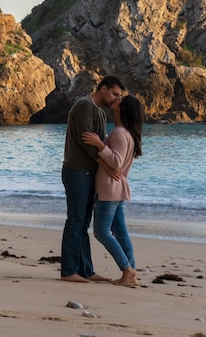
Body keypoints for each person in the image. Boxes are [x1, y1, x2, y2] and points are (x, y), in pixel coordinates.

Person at [60, 75, 126, 283]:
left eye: (120, 96)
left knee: (83, 223)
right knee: (76, 221)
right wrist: (108, 165)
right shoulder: (84, 106)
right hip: (77, 171)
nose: (116, 99)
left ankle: (86, 270)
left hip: (88, 173)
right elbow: (87, 144)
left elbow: (100, 143)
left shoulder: (98, 111)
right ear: (103, 88)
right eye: (115, 94)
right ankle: (69, 271)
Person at [81, 94, 144, 287]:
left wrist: (100, 144)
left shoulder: (119, 133)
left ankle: (127, 270)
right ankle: (130, 272)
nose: (114, 100)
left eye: (119, 100)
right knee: (120, 231)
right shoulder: (126, 133)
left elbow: (116, 161)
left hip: (110, 189)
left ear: (122, 109)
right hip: (117, 189)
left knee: (101, 232)